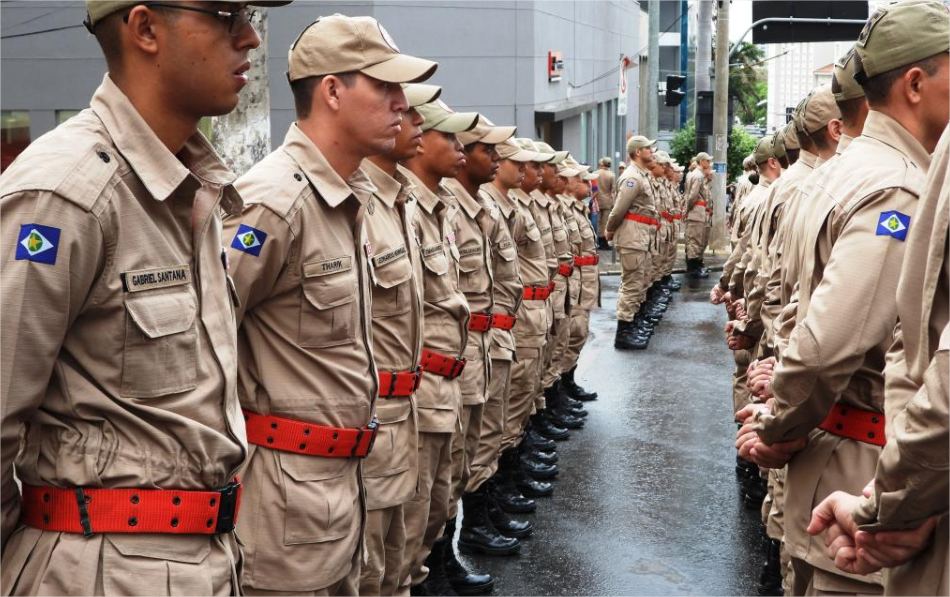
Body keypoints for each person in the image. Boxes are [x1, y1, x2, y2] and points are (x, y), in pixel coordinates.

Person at [0, 1, 288, 594]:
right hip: (97, 569)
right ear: (145, 29)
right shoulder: (67, 193)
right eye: (225, 15)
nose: (249, 41)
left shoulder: (189, 190)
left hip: (198, 559)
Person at [735, 2, 949, 593]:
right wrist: (781, 427)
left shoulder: (840, 170)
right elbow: (831, 341)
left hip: (835, 451)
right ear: (914, 83)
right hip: (861, 466)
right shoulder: (899, 186)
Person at [223, 14, 436, 595]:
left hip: (346, 486)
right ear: (333, 90)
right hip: (285, 510)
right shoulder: (272, 202)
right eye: (385, 86)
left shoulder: (351, 199)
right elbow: (203, 345)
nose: (401, 102)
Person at [806, 124, 949, 596]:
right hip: (866, 454)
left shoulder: (831, 176)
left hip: (885, 468)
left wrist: (888, 505)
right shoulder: (896, 183)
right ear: (913, 82)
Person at [399, 99, 489, 596]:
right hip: (409, 394)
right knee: (406, 519)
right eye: (448, 138)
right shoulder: (391, 207)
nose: (460, 149)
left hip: (446, 375)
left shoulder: (433, 207)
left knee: (440, 493)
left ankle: (438, 562)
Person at [358, 83, 432, 596]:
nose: (409, 117)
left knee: (398, 554)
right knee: (366, 570)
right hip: (335, 444)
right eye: (388, 96)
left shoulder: (398, 202)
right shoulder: (279, 199)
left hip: (403, 410)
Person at [441, 116, 526, 558]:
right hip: (462, 351)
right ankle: (446, 553)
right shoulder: (447, 210)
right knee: (453, 460)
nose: (494, 159)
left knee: (483, 438)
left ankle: (478, 518)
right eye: (485, 150)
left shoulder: (479, 207)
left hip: (489, 341)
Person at [605, 135, 659, 350]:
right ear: (638, 152)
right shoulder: (632, 178)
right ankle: (624, 332)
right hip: (632, 236)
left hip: (640, 235)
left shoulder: (641, 175)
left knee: (639, 281)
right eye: (648, 148)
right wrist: (609, 229)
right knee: (631, 284)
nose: (652, 152)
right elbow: (619, 209)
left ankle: (633, 323)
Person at [684, 151, 712, 278]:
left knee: (696, 240)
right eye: (708, 161)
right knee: (694, 241)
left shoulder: (696, 175)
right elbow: (692, 196)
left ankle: (695, 266)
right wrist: (688, 209)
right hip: (695, 212)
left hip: (697, 212)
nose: (709, 163)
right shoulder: (698, 176)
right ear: (702, 161)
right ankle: (693, 268)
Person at [596, 157, 616, 249]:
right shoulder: (611, 175)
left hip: (597, 200)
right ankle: (604, 242)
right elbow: (613, 190)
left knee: (597, 221)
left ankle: (598, 241)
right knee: (605, 222)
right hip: (607, 201)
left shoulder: (595, 174)